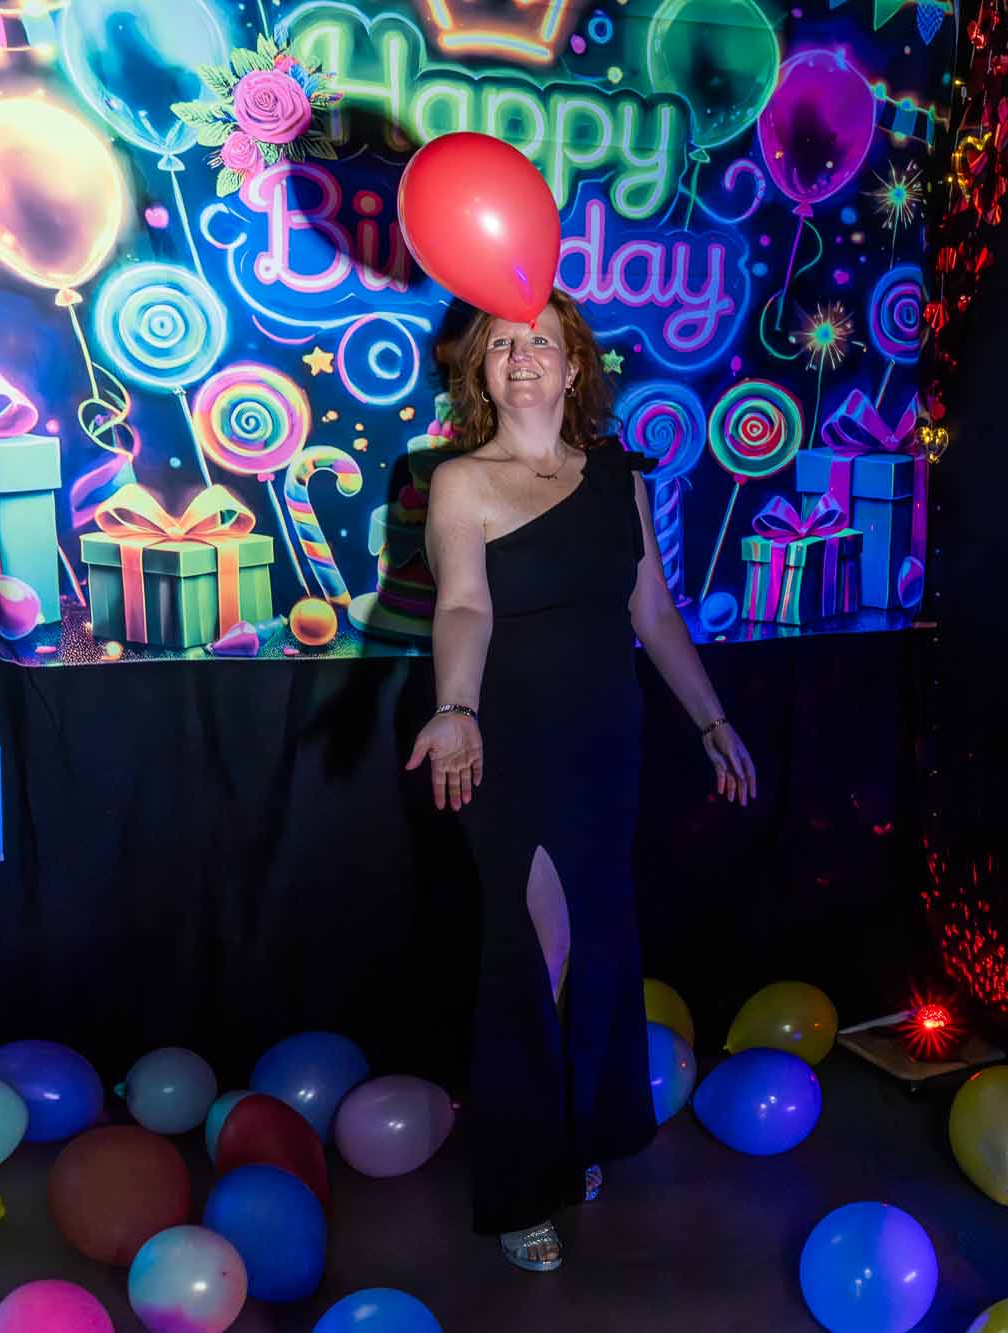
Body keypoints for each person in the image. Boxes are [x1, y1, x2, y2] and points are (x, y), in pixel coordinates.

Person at [406, 292, 757, 1271]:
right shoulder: (459, 482)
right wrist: (456, 706)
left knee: (596, 942)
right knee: (537, 949)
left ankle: (577, 1131)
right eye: (502, 346)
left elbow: (654, 612)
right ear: (480, 371)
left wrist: (711, 719)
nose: (522, 357)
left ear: (573, 367)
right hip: (505, 748)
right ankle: (521, 1181)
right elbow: (463, 607)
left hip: (605, 744)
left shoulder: (617, 478)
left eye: (542, 344)